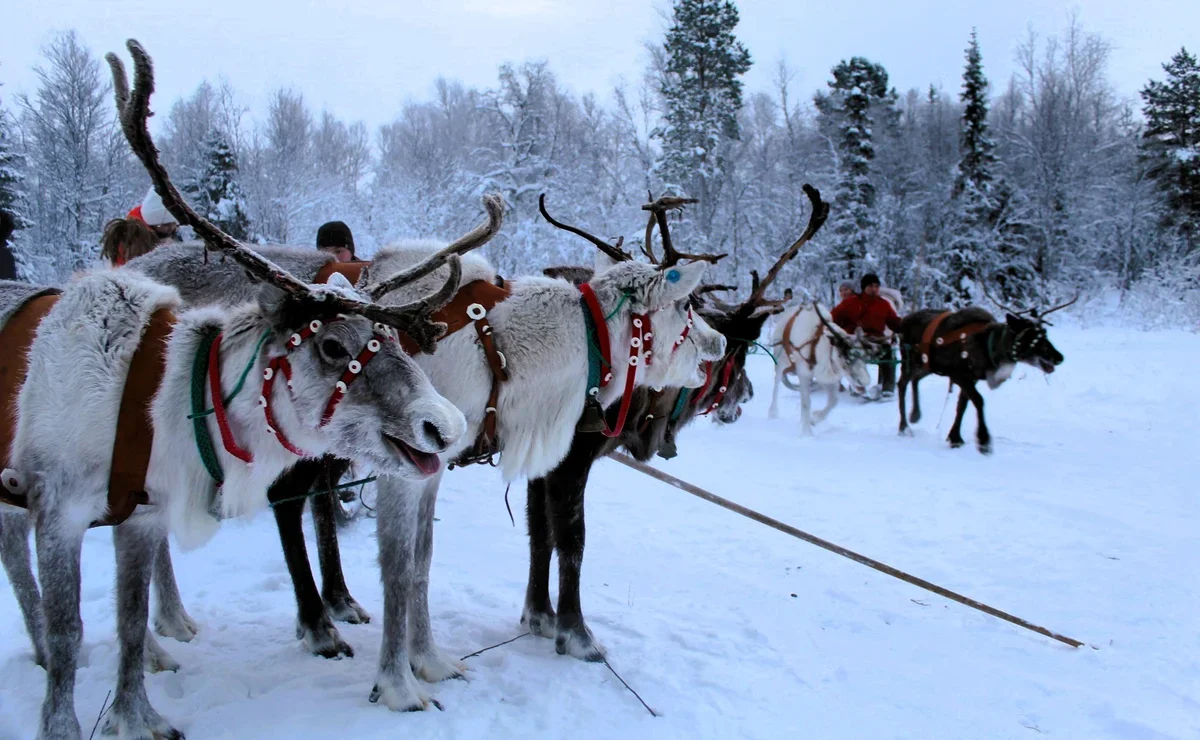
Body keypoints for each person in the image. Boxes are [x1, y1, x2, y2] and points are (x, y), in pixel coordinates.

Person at [831, 273, 902, 397]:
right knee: (854, 354)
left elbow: (894, 322)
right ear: (864, 287)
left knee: (889, 354)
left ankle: (887, 387)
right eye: (870, 286)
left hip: (877, 340)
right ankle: (857, 384)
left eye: (876, 286)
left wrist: (905, 327)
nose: (874, 289)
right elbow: (833, 318)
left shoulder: (884, 304)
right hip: (855, 339)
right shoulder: (850, 303)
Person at [101, 187, 181, 267]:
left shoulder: (166, 232)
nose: (171, 227)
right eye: (165, 224)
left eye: (174, 223)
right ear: (151, 221)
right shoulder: (132, 239)